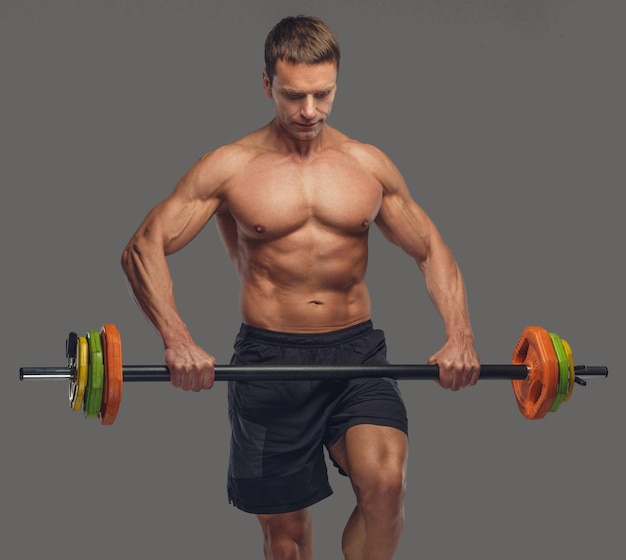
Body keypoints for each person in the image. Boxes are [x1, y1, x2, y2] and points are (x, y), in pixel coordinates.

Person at [121, 15, 480, 560]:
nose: (309, 111)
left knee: (385, 486)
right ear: (267, 84)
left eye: (323, 94)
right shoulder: (230, 167)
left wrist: (460, 335)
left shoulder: (367, 165)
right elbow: (143, 247)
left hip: (356, 354)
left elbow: (431, 248)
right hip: (270, 363)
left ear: (337, 83)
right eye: (293, 96)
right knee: (287, 543)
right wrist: (177, 337)